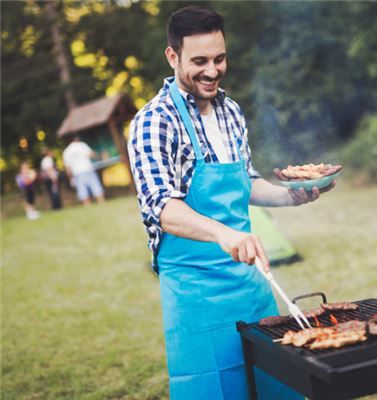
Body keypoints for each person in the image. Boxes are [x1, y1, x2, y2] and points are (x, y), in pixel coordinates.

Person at [128, 6, 334, 400]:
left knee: (278, 384)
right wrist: (224, 234)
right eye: (199, 61)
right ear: (173, 57)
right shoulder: (153, 122)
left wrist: (294, 196)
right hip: (196, 294)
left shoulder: (231, 111)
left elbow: (246, 182)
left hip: (251, 284)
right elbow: (161, 206)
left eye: (219, 58)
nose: (212, 71)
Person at [62, 135, 105, 205]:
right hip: (87, 168)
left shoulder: (67, 151)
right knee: (95, 186)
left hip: (77, 172)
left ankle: (87, 205)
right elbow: (91, 154)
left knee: (82, 190)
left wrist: (70, 178)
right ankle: (101, 202)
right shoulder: (81, 145)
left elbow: (68, 167)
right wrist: (100, 156)